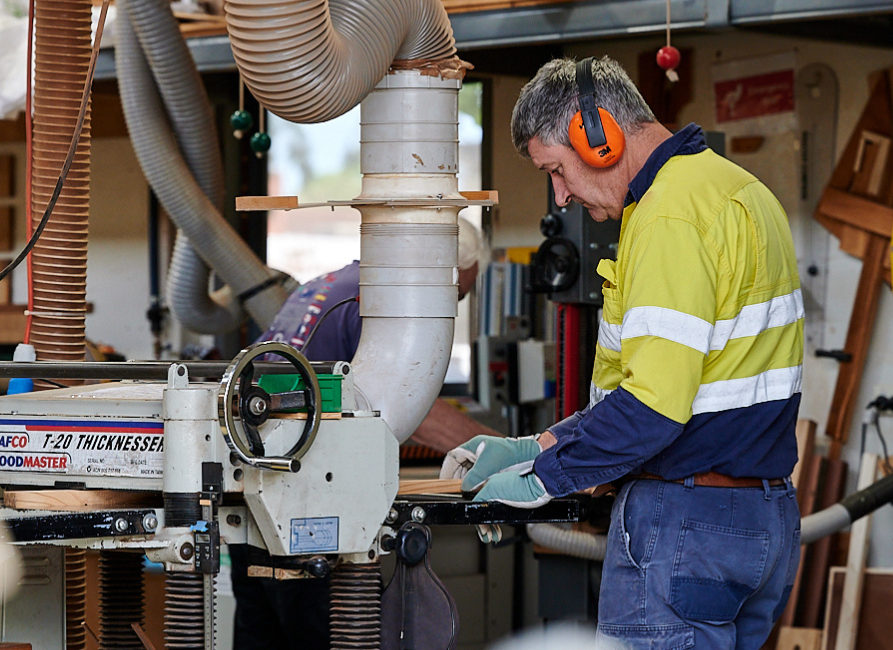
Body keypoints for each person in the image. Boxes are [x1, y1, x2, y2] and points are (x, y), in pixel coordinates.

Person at [448, 56, 804, 650]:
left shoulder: (668, 215)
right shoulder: (739, 190)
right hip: (763, 522)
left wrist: (542, 479)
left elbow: (652, 408)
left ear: (599, 135)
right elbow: (685, 386)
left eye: (557, 170)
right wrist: (535, 445)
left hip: (686, 523)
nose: (559, 196)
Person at [231, 216, 496, 650]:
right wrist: (502, 451)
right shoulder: (379, 300)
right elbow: (404, 405)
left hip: (255, 498)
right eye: (457, 293)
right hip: (308, 512)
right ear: (438, 271)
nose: (451, 309)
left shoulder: (328, 284)